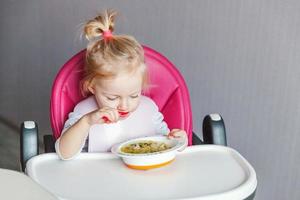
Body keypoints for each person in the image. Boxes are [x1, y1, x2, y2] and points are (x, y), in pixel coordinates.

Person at [55, 10, 187, 160]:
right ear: (92, 87)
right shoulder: (84, 114)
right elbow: (64, 154)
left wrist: (179, 141)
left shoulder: (149, 110)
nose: (124, 105)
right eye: (112, 98)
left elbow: (166, 145)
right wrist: (86, 122)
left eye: (134, 95)